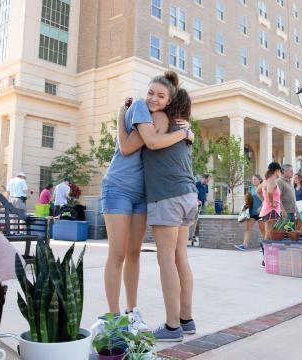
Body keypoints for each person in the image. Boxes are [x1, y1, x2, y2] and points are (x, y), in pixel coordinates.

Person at [99, 70, 194, 334]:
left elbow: (153, 142)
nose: (153, 98)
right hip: (118, 187)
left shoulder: (160, 119)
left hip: (143, 193)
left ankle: (132, 310)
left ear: (169, 100)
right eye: (150, 92)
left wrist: (188, 132)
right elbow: (130, 147)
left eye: (160, 95)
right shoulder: (141, 108)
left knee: (133, 255)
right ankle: (114, 315)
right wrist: (120, 117)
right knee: (117, 254)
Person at [235, 175, 265, 251]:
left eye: (255, 179)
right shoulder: (251, 189)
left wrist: (262, 206)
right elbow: (249, 199)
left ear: (260, 180)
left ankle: (265, 246)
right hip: (251, 212)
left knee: (262, 229)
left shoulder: (262, 188)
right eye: (252, 179)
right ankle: (244, 245)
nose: (253, 180)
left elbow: (266, 199)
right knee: (248, 229)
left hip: (261, 212)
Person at [258, 162, 283, 241]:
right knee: (271, 232)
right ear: (276, 171)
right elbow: (269, 191)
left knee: (268, 231)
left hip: (267, 209)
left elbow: (258, 191)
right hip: (272, 210)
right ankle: (269, 250)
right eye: (279, 171)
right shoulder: (271, 180)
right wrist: (272, 202)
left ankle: (267, 251)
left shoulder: (265, 180)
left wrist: (265, 200)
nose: (280, 173)